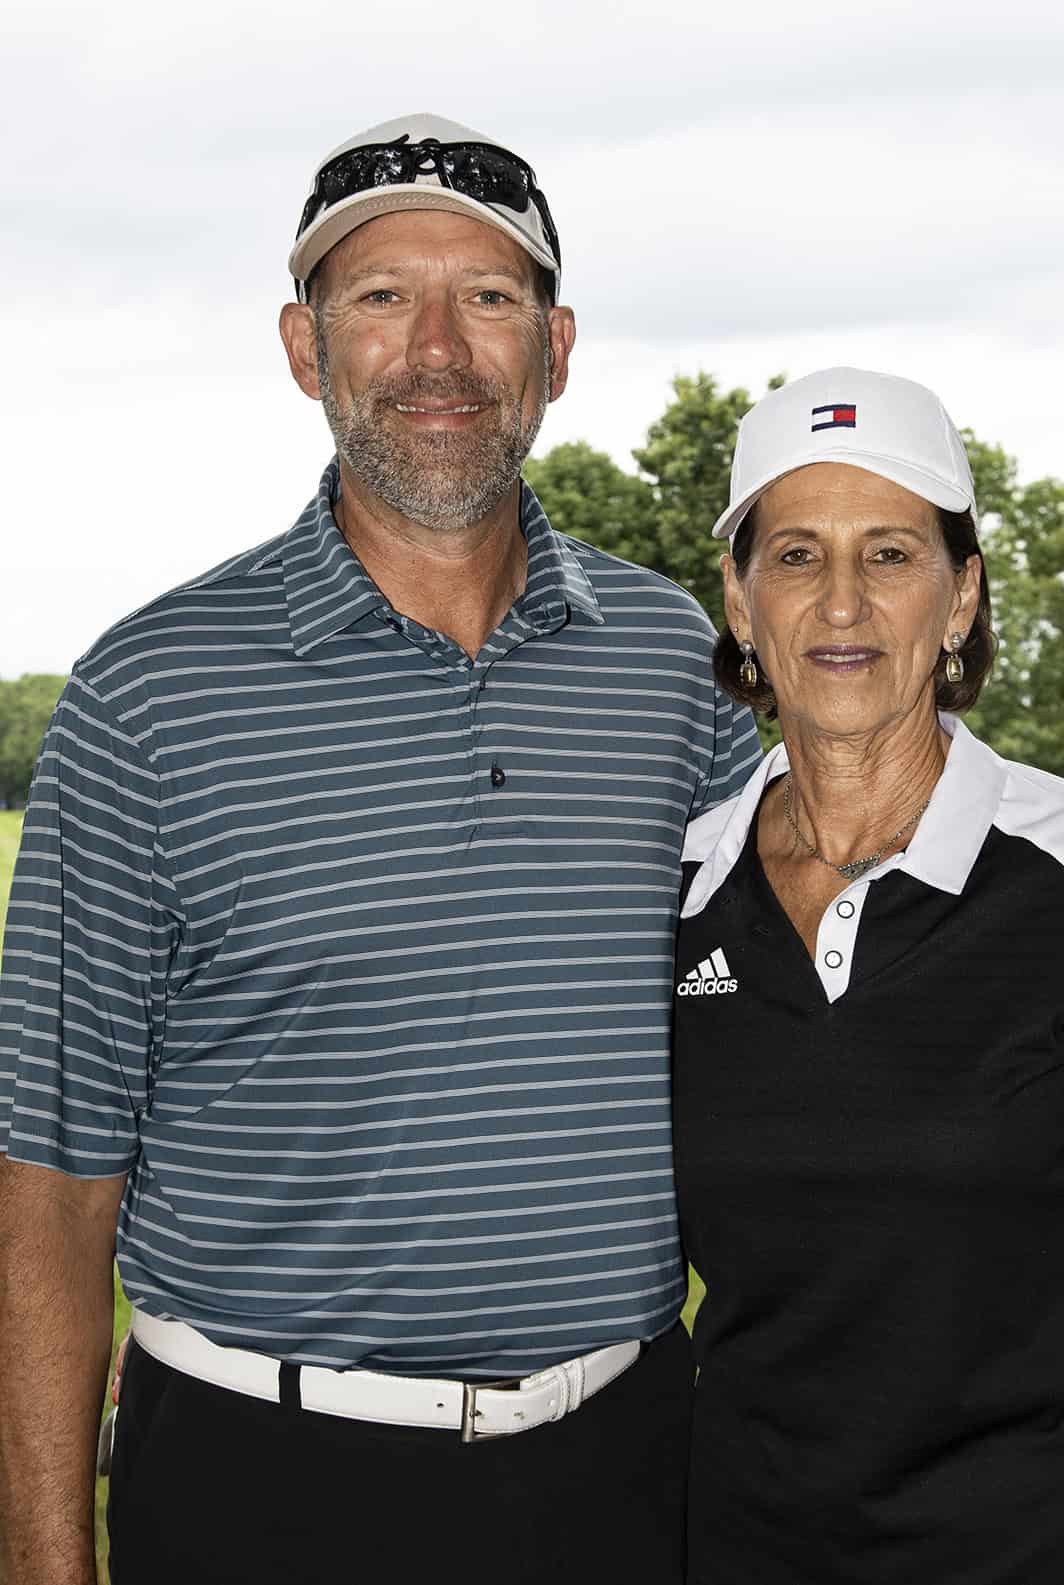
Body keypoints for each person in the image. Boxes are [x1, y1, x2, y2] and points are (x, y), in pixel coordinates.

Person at [0, 113, 761, 1585]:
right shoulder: (149, 694)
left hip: (627, 1468)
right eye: (381, 296)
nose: (438, 350)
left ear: (556, 349)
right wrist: (41, 1558)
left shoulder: (674, 664)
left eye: (490, 297)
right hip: (262, 1484)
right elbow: (49, 1175)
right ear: (306, 347)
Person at [672, 367, 1064, 1583]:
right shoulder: (678, 889)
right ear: (741, 602)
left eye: (891, 553)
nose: (842, 602)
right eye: (796, 555)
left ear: (961, 596)